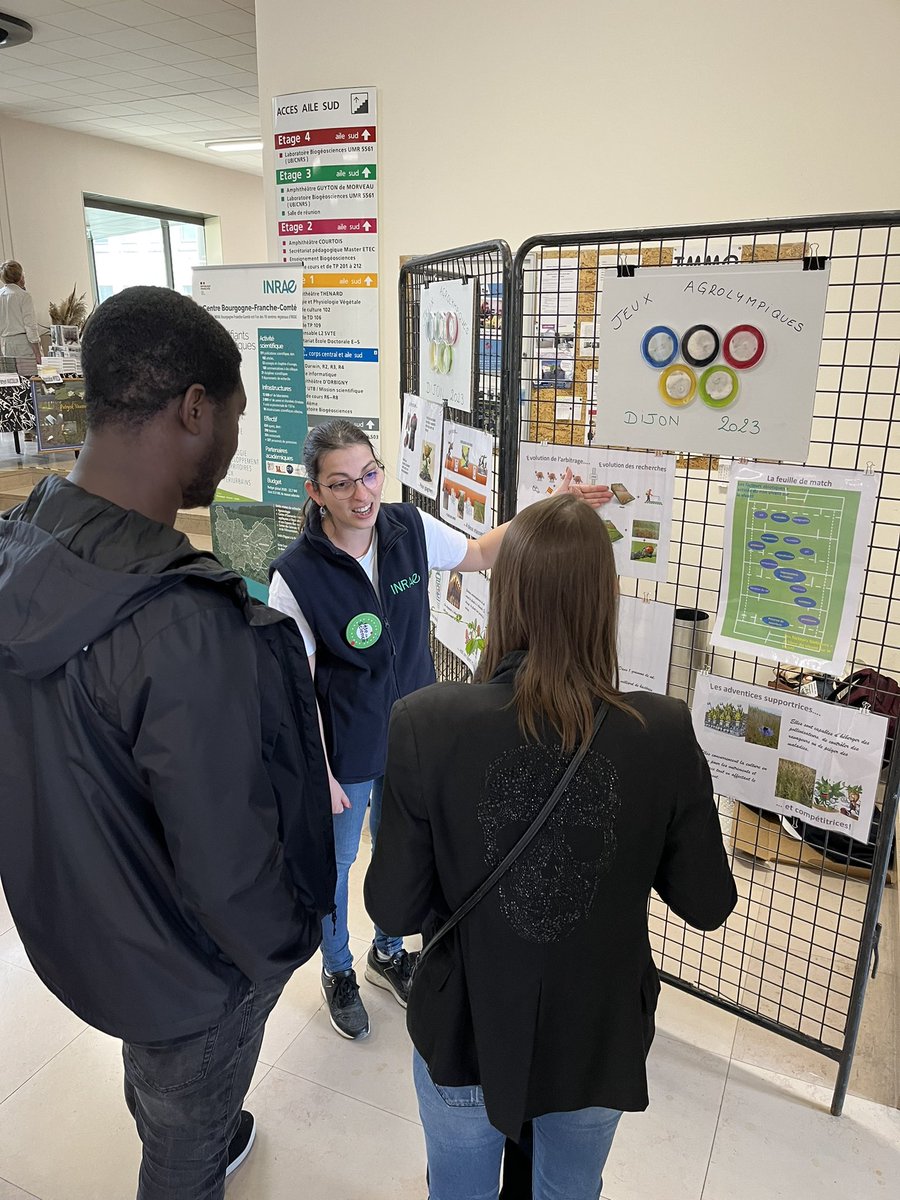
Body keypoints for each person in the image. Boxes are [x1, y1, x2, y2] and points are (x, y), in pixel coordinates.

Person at [0, 286, 335, 1200]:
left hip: (79, 928)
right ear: (196, 408)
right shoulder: (186, 626)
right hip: (185, 977)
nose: (231, 443)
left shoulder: (21, 540)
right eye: (231, 417)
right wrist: (291, 942)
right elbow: (231, 869)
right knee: (182, 1159)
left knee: (165, 1091)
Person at [365, 493, 738, 1200]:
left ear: (505, 593)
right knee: (570, 1190)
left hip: (464, 1027)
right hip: (595, 1033)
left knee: (459, 1190)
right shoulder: (661, 731)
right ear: (604, 602)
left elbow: (391, 900)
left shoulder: (426, 721)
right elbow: (708, 901)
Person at [268, 420, 611, 1041]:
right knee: (339, 862)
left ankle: (389, 952)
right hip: (346, 749)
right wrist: (320, 775)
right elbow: (298, 687)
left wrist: (549, 510)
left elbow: (481, 553)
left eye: (369, 475)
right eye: (341, 484)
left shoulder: (407, 528)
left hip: (413, 736)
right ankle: (339, 967)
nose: (362, 495)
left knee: (402, 851)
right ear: (316, 493)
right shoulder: (295, 576)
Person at [0, 259, 42, 376]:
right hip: (23, 343)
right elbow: (30, 325)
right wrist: (37, 353)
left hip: (5, 343)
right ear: (20, 275)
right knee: (29, 379)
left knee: (12, 380)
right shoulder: (23, 296)